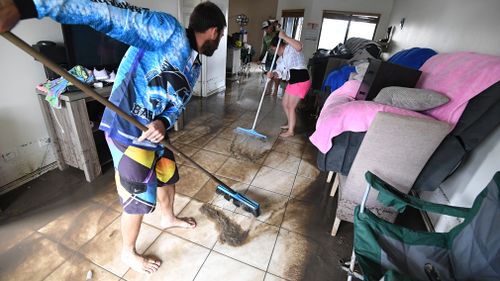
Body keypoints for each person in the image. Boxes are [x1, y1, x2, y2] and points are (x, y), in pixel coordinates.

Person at [0, 0, 226, 275]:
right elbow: (108, 15)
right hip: (127, 128)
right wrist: (27, 6)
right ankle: (128, 252)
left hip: (154, 132)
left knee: (168, 175)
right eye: (221, 35)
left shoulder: (194, 67)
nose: (219, 40)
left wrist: (162, 121)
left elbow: (176, 105)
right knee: (137, 198)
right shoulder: (168, 31)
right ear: (214, 31)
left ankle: (167, 217)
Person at [267, 31, 311, 138]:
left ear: (279, 46)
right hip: (293, 81)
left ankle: (291, 131)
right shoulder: (280, 59)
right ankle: (290, 124)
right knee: (284, 103)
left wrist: (285, 37)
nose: (274, 52)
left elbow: (299, 46)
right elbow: (279, 72)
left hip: (301, 80)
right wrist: (272, 74)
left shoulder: (291, 48)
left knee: (291, 106)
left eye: (274, 49)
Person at [259, 19, 280, 96]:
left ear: (271, 27)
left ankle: (276, 90)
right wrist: (260, 59)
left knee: (276, 74)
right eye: (264, 29)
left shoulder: (278, 34)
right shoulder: (265, 38)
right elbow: (264, 49)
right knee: (269, 73)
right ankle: (268, 89)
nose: (265, 30)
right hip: (269, 57)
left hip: (278, 57)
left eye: (266, 28)